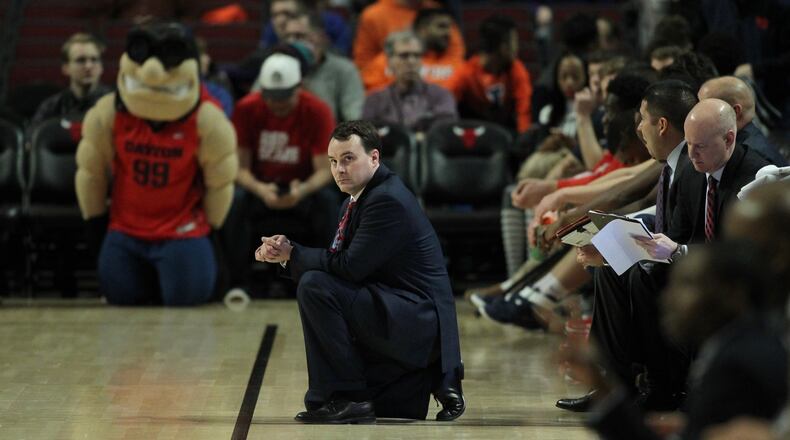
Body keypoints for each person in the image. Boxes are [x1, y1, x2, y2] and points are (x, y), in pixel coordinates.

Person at [255, 120, 464, 423]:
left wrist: (294, 254)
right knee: (318, 283)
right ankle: (363, 394)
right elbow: (341, 265)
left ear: (375, 158)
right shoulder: (358, 200)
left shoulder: (386, 201)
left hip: (417, 319)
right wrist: (286, 254)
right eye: (333, 161)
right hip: (397, 308)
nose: (339, 169)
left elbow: (350, 268)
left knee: (316, 286)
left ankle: (349, 398)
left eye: (348, 159)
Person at [75, 22, 238, 306]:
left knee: (188, 299)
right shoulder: (110, 113)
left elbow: (220, 183)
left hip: (181, 230)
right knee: (121, 298)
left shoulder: (205, 118)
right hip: (125, 230)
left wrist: (212, 227)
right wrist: (96, 225)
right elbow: (91, 174)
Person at [223, 52, 339, 295]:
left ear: (299, 87)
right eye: (271, 96)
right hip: (260, 186)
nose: (277, 103)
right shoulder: (247, 109)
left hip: (304, 186)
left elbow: (324, 170)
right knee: (234, 201)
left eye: (284, 96)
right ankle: (236, 281)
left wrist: (303, 189)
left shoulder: (318, 111)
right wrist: (260, 189)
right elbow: (239, 167)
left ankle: (329, 278)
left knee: (329, 202)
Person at [446, 15, 532, 134]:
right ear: (503, 47)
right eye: (515, 42)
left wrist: (524, 137)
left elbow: (524, 110)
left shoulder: (517, 69)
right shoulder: (465, 73)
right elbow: (447, 107)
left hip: (506, 135)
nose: (518, 48)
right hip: (472, 134)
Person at [362, 30, 457, 133]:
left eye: (417, 56)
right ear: (389, 61)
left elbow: (447, 131)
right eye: (404, 56)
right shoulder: (375, 101)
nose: (411, 61)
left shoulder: (441, 96)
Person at [282, 12, 364, 122]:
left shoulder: (344, 70)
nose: (292, 42)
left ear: (320, 37)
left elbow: (355, 119)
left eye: (299, 36)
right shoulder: (276, 65)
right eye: (287, 37)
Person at [361, 7, 464, 91]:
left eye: (449, 27)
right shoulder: (387, 60)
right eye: (441, 27)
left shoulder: (453, 63)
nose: (448, 33)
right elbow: (370, 94)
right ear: (422, 28)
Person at [352, 0, 465, 73]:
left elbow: (456, 58)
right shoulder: (373, 15)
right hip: (389, 92)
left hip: (440, 89)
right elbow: (364, 66)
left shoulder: (436, 11)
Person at [697, 76, 787, 166]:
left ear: (735, 112)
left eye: (704, 108)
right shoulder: (741, 148)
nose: (695, 115)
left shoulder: (751, 157)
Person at [32, 33, 112, 126]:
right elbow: (33, 137)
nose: (88, 66)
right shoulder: (52, 107)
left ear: (101, 67)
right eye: (81, 60)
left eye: (94, 60)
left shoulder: (115, 105)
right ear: (65, 68)